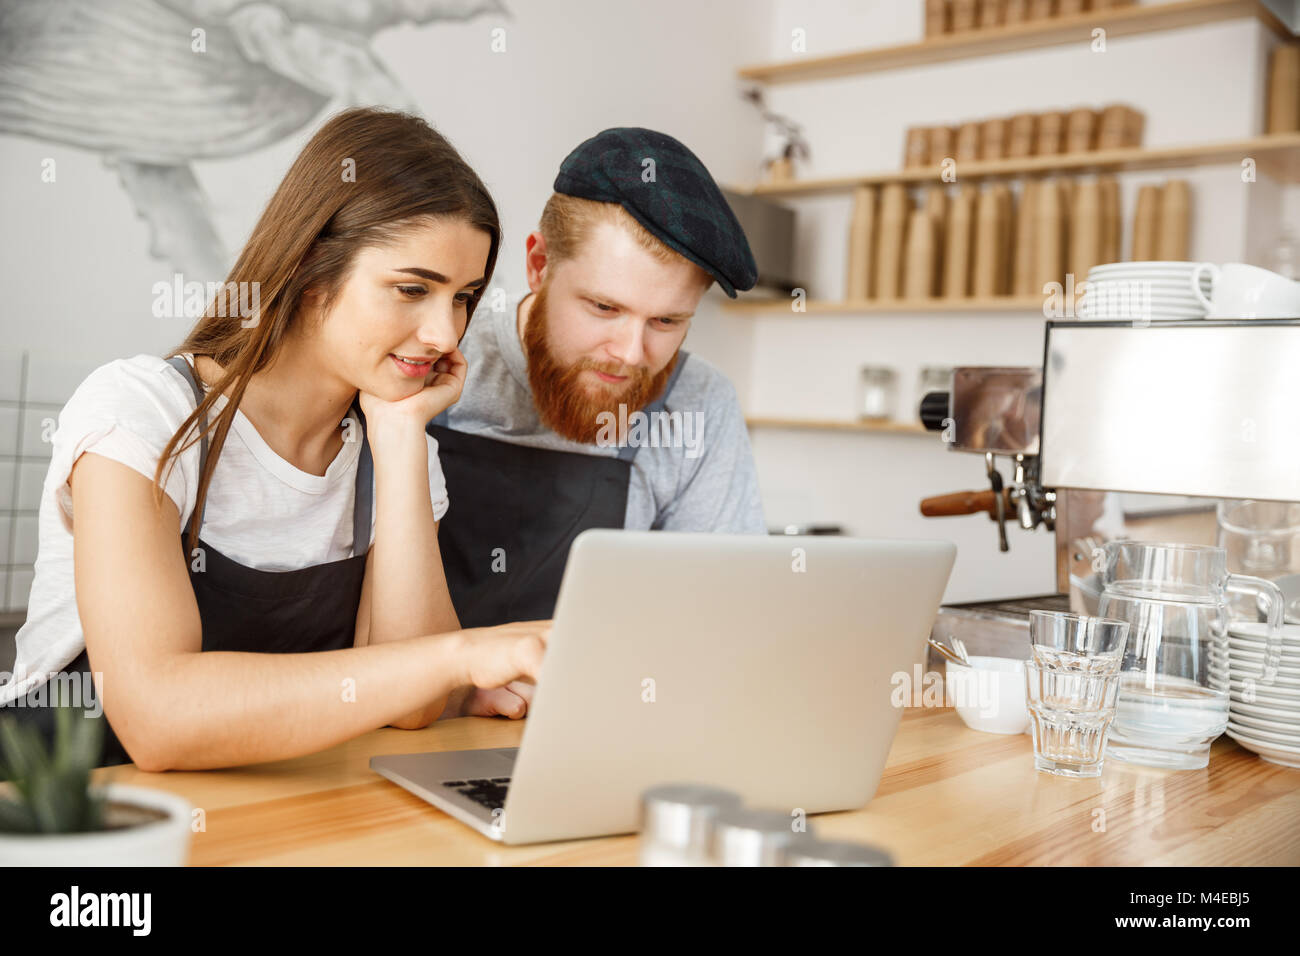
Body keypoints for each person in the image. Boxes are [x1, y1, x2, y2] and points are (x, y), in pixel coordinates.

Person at [0, 107, 547, 772]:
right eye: (412, 289)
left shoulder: (394, 450)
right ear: (312, 267)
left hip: (258, 807)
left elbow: (411, 707)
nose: (444, 334)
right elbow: (157, 719)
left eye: (462, 297)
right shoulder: (140, 414)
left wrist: (402, 435)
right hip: (70, 811)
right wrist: (461, 656)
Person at [428, 127, 766, 630]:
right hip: (430, 707)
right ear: (539, 265)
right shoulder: (436, 357)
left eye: (666, 322)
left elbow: (722, 620)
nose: (629, 355)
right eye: (604, 307)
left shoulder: (700, 404)